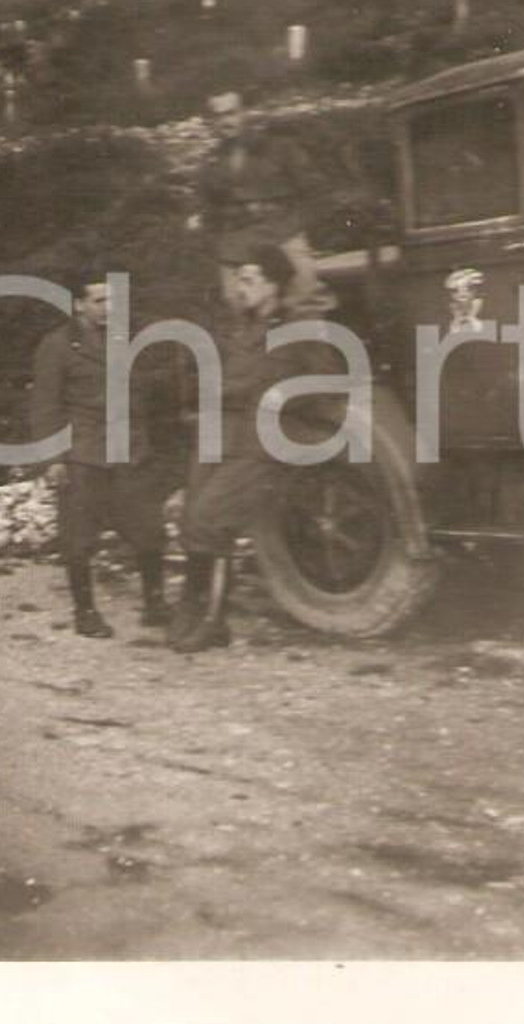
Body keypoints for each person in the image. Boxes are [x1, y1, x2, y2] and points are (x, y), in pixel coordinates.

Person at [170, 243, 341, 655]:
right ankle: (195, 610)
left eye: (248, 279)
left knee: (211, 519)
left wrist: (285, 412)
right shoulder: (241, 328)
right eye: (238, 279)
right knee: (192, 517)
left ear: (273, 284)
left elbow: (329, 383)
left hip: (263, 440)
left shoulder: (299, 329)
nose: (240, 287)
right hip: (221, 433)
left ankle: (212, 619)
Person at [30, 269, 169, 638]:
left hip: (130, 449)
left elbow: (150, 394)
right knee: (79, 537)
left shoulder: (133, 340)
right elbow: (45, 405)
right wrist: (53, 459)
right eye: (99, 300)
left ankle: (155, 603)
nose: (110, 307)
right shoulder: (58, 345)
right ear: (78, 306)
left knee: (149, 530)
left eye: (114, 299)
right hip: (83, 453)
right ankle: (85, 611)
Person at [189, 91, 335, 316]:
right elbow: (208, 209)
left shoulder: (279, 148)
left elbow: (316, 192)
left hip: (283, 233)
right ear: (212, 121)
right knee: (236, 309)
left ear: (244, 113)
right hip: (236, 242)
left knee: (304, 300)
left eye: (231, 113)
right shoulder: (211, 163)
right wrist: (212, 230)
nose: (226, 122)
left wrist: (294, 228)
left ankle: (309, 345)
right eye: (218, 116)